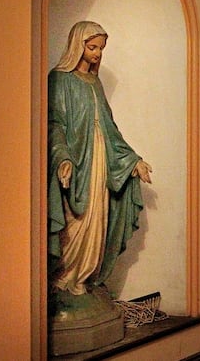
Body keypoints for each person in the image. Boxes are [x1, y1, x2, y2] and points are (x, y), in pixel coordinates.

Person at [48, 21, 152, 297]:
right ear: (76, 45)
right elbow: (54, 123)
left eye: (101, 48)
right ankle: (63, 276)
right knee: (75, 219)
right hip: (76, 163)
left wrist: (132, 160)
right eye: (92, 47)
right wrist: (62, 158)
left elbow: (109, 128)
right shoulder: (59, 79)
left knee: (97, 221)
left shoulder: (95, 82)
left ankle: (82, 277)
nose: (97, 54)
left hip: (99, 162)